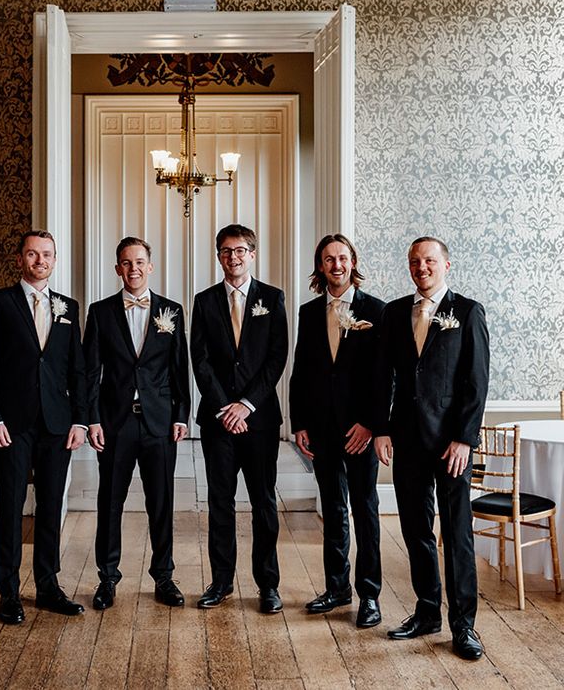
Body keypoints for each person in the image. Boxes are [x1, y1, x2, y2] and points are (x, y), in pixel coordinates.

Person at [373, 236, 489, 661]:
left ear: (446, 265)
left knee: (457, 533)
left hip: (451, 444)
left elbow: (476, 384)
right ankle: (426, 612)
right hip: (406, 440)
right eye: (414, 262)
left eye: (429, 261)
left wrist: (464, 438)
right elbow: (383, 377)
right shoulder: (393, 312)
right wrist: (382, 430)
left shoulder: (468, 312)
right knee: (415, 530)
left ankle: (464, 625)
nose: (421, 268)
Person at [0, 230, 87, 624]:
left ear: (55, 260)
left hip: (57, 425)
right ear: (20, 259)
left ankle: (48, 585)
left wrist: (80, 420)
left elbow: (77, 369)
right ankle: (8, 591)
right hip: (12, 423)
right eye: (32, 254)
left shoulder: (68, 307)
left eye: (47, 254)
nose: (40, 260)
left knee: (51, 505)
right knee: (9, 507)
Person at [83, 236, 191, 610]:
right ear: (117, 269)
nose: (133, 269)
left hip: (159, 423)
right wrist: (92, 419)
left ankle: (164, 576)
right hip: (115, 424)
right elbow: (89, 373)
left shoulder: (171, 312)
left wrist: (181, 415)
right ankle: (107, 579)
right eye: (126, 263)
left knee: (161, 502)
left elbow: (181, 369)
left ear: (151, 266)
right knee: (110, 502)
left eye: (140, 262)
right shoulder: (99, 313)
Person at [190, 224, 288, 613]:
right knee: (220, 503)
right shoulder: (204, 301)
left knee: (264, 503)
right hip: (218, 422)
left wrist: (246, 404)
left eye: (241, 250)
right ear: (218, 257)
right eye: (226, 251)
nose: (234, 257)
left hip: (260, 420)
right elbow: (199, 361)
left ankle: (268, 584)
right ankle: (221, 582)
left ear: (252, 254)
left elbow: (277, 357)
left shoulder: (272, 298)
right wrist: (224, 407)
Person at [290, 234, 385, 628]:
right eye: (328, 259)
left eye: (342, 258)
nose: (336, 265)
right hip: (323, 429)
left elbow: (385, 377)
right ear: (320, 266)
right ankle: (336, 587)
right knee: (332, 509)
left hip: (359, 430)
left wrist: (371, 424)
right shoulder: (309, 312)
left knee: (364, 510)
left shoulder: (376, 310)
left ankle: (370, 595)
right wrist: (299, 425)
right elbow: (301, 373)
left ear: (352, 262)